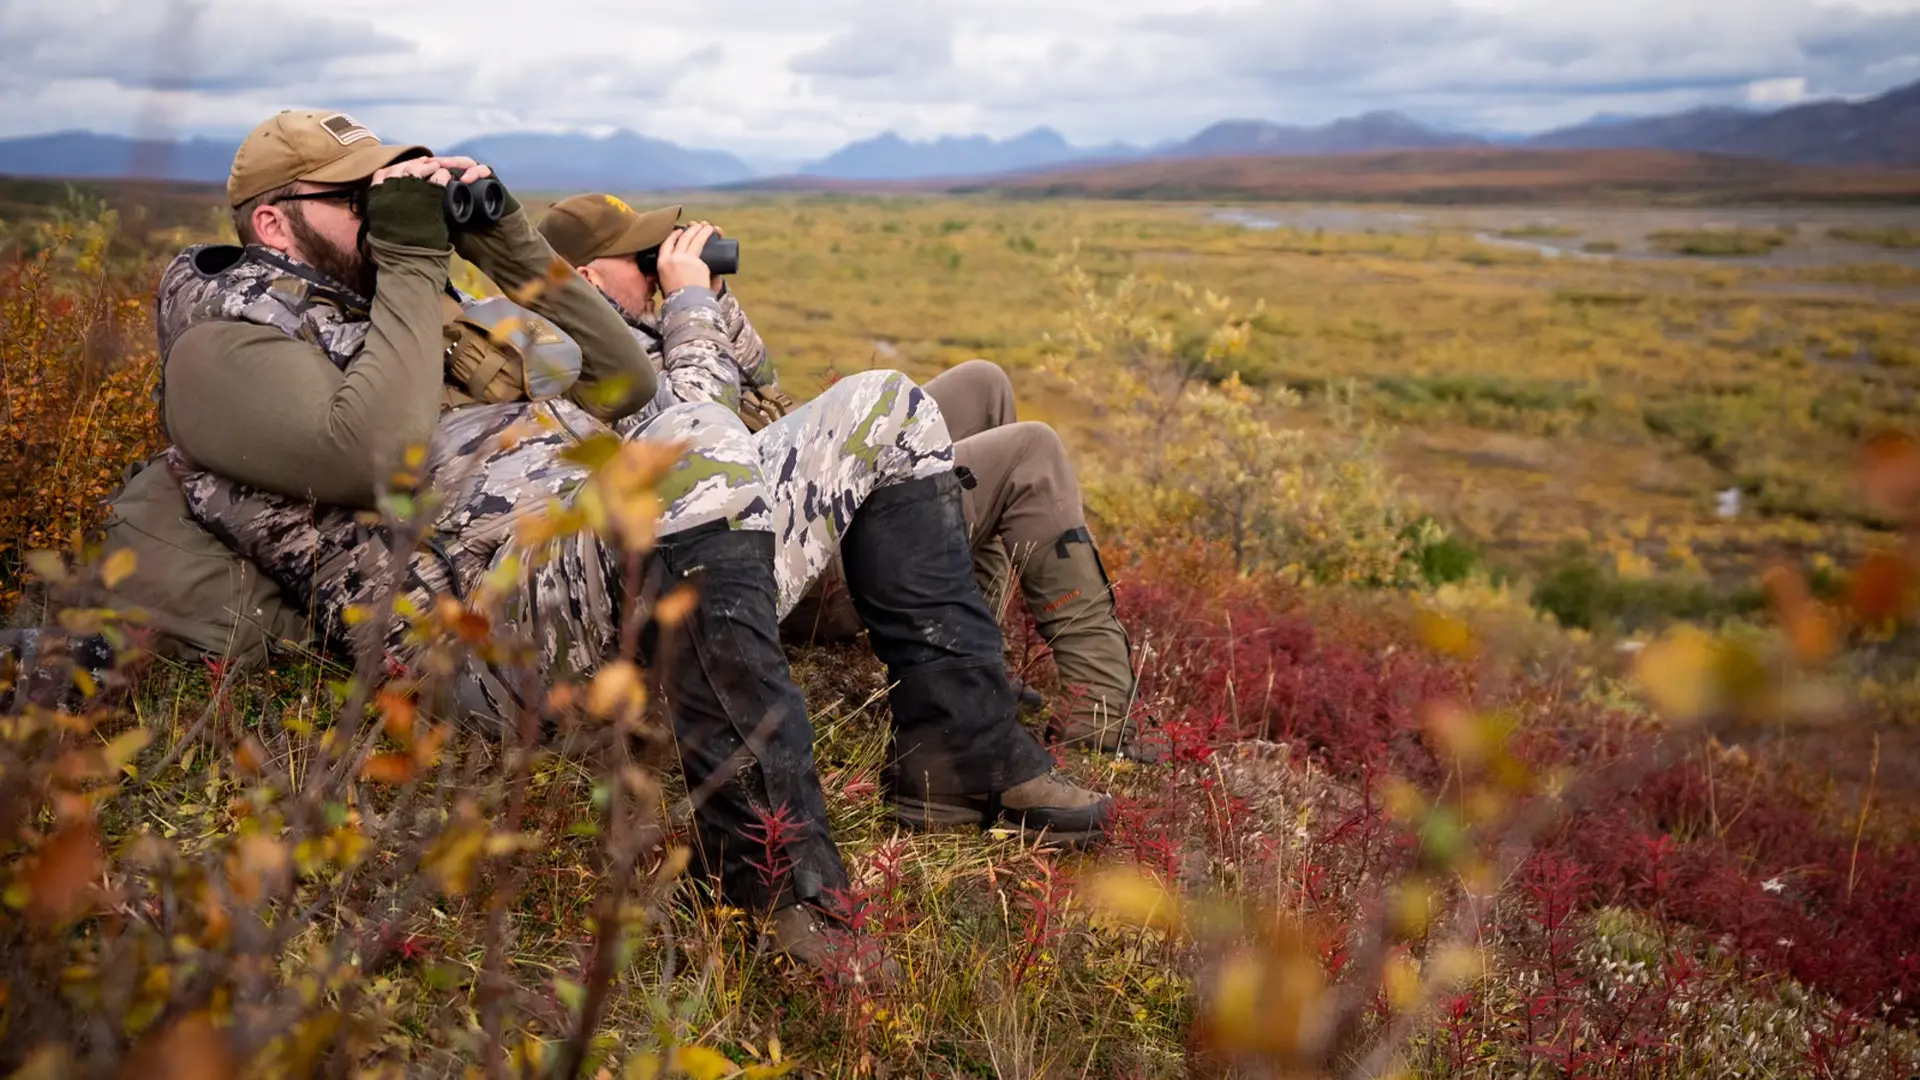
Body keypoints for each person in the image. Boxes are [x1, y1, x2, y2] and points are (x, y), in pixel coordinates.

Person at [144, 111, 1111, 979]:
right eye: (357, 198)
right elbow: (378, 456)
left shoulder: (412, 309)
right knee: (695, 447)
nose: (385, 212)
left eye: (389, 192)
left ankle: (959, 755)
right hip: (482, 631)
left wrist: (506, 246)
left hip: (603, 562)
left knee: (884, 406)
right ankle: (770, 881)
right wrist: (408, 262)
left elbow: (627, 381)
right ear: (274, 222)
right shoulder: (223, 347)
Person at [538, 198, 1157, 761]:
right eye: (640, 258)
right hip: (765, 568)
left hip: (776, 511)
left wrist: (713, 298)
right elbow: (700, 438)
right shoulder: (584, 362)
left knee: (982, 384)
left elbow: (765, 388)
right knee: (1031, 453)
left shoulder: (637, 329)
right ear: (588, 278)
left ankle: (973, 664)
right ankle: (1099, 721)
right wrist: (686, 304)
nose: (657, 266)